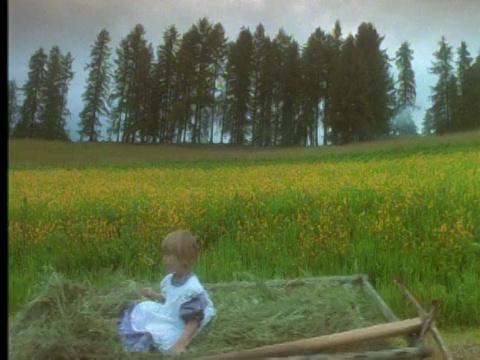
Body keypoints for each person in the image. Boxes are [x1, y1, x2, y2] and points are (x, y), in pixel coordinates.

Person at [118, 230, 215, 355]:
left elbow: (193, 321)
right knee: (143, 309)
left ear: (184, 259)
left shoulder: (191, 290)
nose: (164, 259)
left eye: (169, 255)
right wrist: (154, 295)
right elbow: (171, 299)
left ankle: (162, 340)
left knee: (159, 332)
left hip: (181, 323)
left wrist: (180, 344)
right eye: (164, 254)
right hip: (171, 313)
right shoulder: (171, 279)